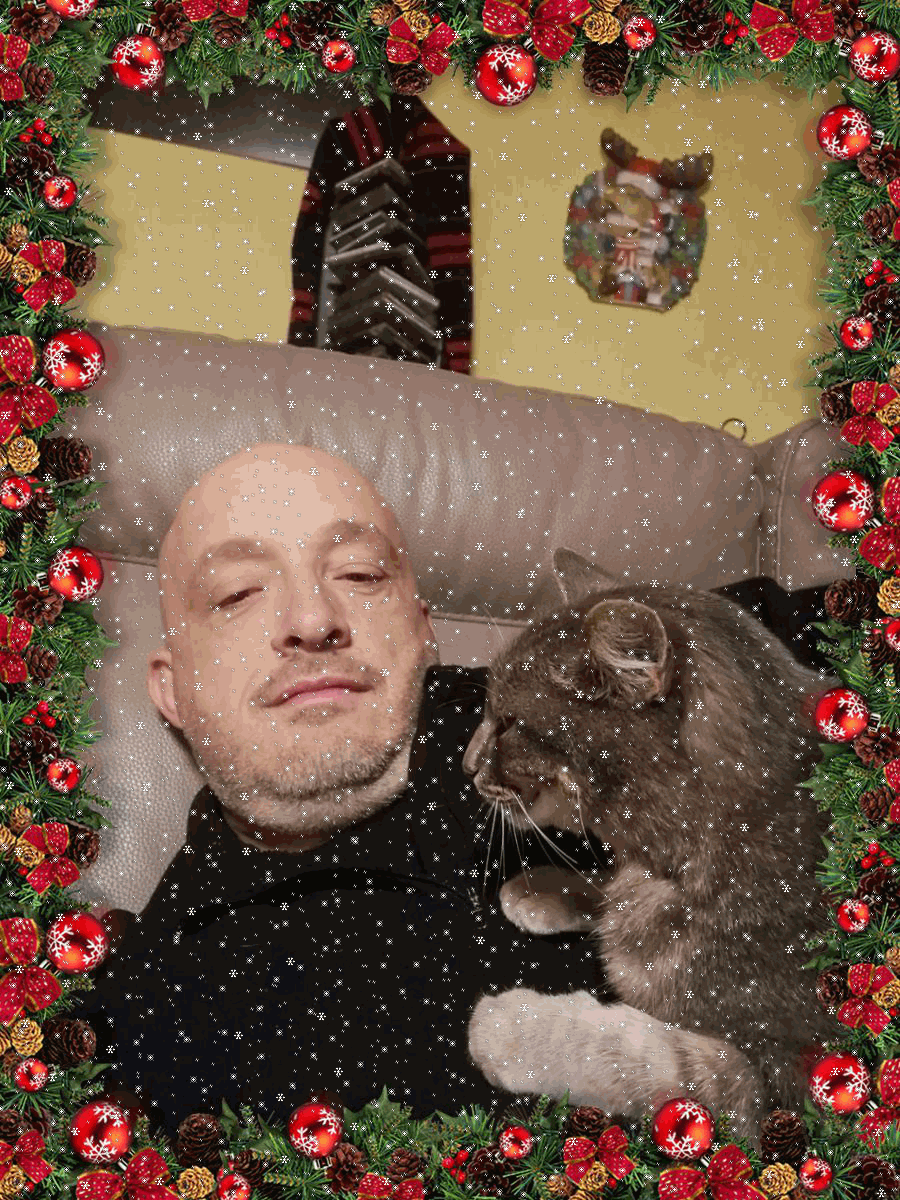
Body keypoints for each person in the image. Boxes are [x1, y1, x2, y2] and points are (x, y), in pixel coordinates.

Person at [88, 441, 830, 1133]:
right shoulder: (152, 1007)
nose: (312, 620)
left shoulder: (547, 688)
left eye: (360, 575)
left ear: (423, 630)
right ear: (172, 689)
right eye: (237, 593)